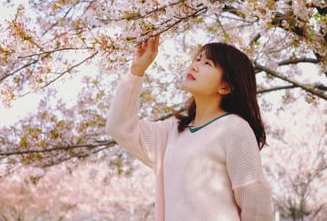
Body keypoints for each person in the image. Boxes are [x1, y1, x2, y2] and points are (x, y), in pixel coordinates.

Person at [106, 34, 274, 221]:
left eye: (207, 64)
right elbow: (119, 127)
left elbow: (256, 204)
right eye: (197, 59)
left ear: (225, 87)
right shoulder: (173, 132)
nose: (194, 66)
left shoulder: (234, 128)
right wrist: (136, 71)